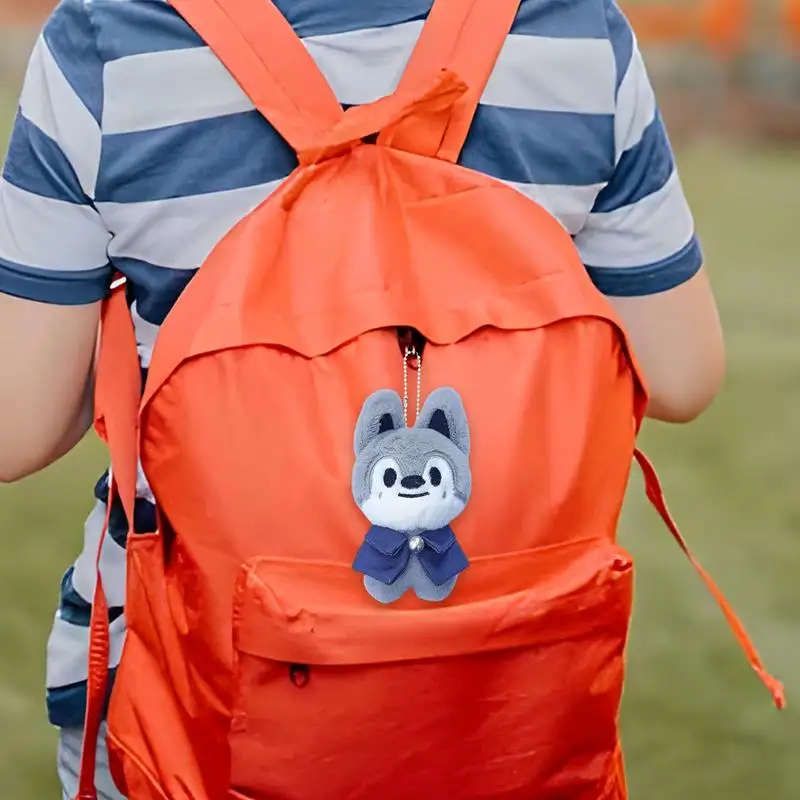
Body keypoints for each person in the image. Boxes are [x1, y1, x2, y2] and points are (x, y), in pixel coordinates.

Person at [0, 0, 724, 796]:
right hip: (502, 685)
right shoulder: (574, 31)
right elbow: (681, 373)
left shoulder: (108, 40)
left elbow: (19, 427)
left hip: (199, 682)